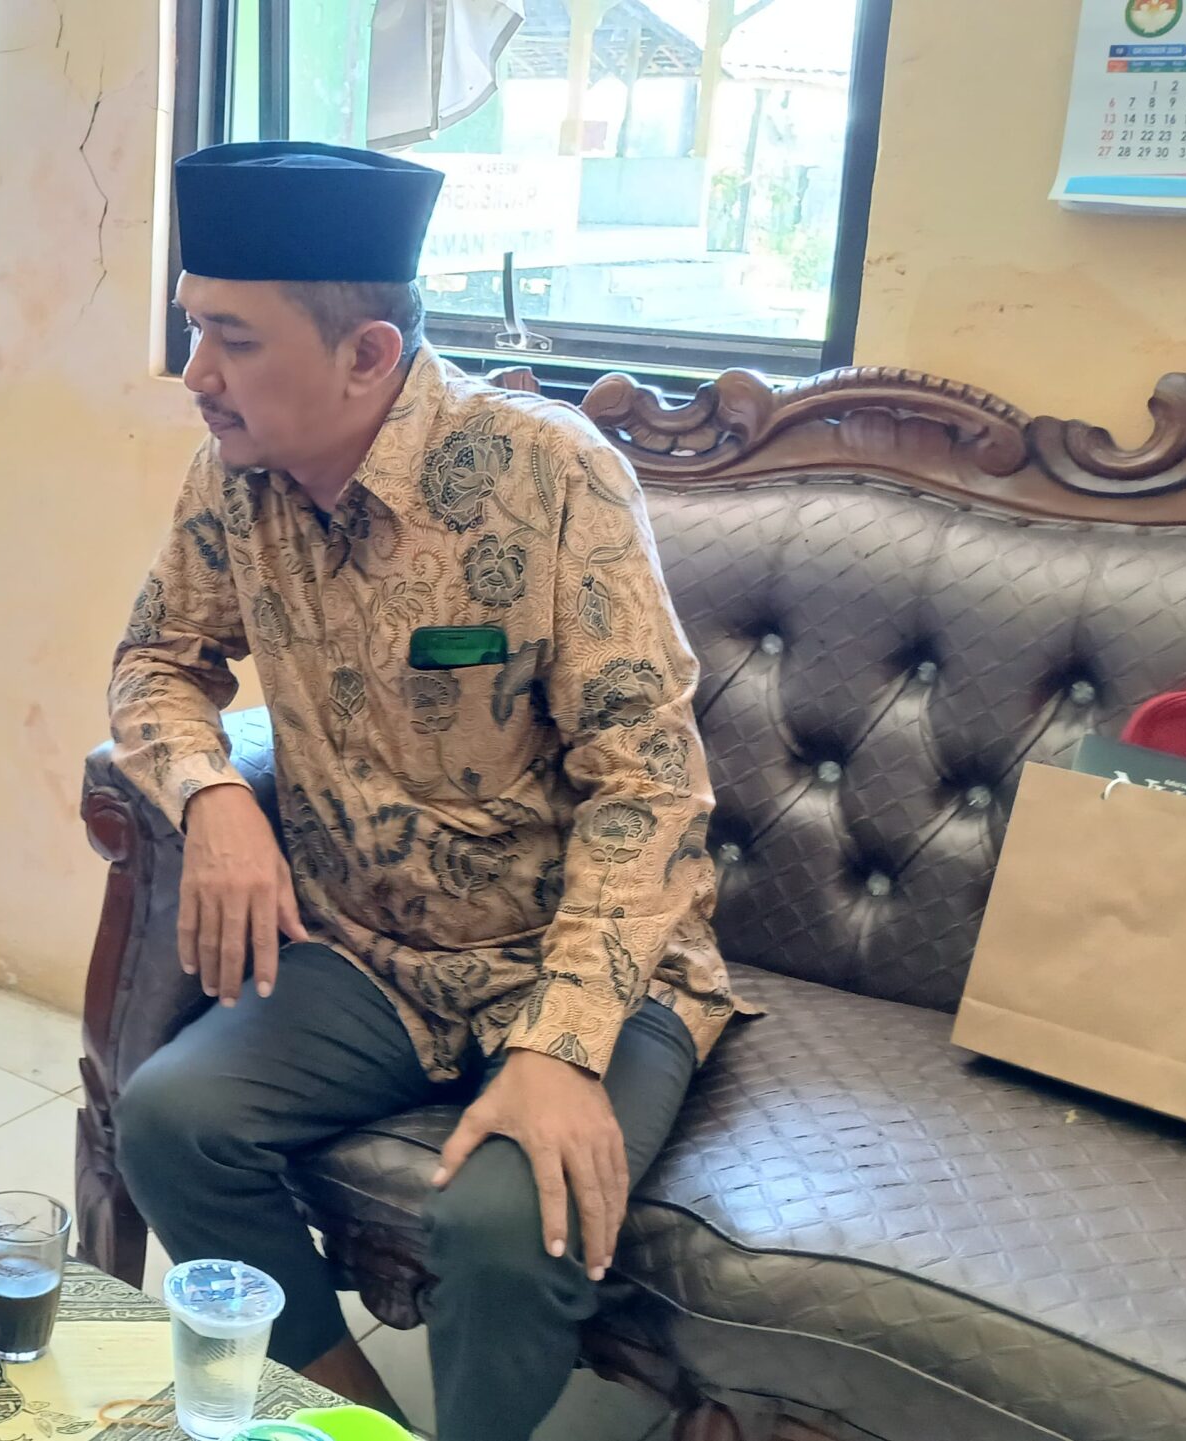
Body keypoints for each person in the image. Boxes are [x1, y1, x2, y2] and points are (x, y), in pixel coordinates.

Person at [106, 142, 738, 1441]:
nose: (196, 374)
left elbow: (650, 781)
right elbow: (157, 662)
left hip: (585, 959)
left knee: (506, 1224)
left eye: (232, 338)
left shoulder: (549, 474)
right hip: (368, 957)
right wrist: (213, 795)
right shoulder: (231, 477)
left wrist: (562, 1047)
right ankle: (341, 1415)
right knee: (169, 1118)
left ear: (367, 354)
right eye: (192, 327)